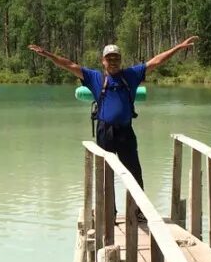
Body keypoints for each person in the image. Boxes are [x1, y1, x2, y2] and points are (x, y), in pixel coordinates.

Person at [27, 36, 198, 187]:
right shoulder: (94, 78)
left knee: (133, 172)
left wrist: (177, 48)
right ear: (103, 61)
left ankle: (138, 212)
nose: (113, 61)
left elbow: (156, 61)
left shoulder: (131, 75)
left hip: (125, 131)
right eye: (109, 59)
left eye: (116, 58)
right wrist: (48, 55)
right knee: (104, 174)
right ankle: (109, 213)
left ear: (121, 60)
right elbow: (69, 65)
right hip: (105, 132)